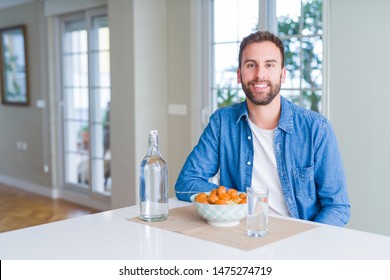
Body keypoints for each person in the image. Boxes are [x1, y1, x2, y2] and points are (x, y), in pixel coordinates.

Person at [175, 31, 350, 227]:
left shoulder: (317, 129)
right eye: (251, 65)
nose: (260, 75)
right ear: (239, 74)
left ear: (282, 74)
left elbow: (337, 207)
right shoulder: (222, 123)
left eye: (269, 65)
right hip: (241, 235)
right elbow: (186, 183)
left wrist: (307, 245)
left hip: (297, 240)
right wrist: (233, 200)